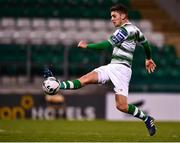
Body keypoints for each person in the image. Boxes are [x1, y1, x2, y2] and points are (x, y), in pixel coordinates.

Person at [43, 3, 156, 136]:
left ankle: (147, 118)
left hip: (122, 70)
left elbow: (106, 45)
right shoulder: (136, 30)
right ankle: (56, 84)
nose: (112, 19)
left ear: (124, 16)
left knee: (121, 106)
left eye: (114, 16)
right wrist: (148, 58)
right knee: (85, 80)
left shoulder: (125, 31)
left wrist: (87, 46)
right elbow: (145, 43)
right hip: (112, 66)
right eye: (111, 16)